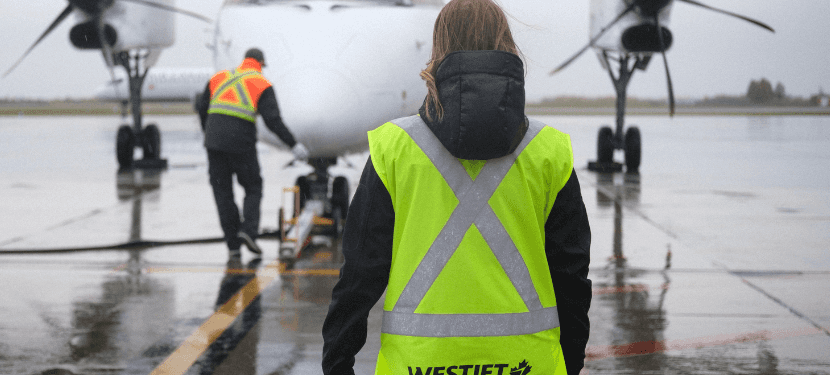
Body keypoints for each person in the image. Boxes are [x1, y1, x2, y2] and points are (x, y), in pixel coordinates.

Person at [321, 0, 592, 374]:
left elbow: (360, 275)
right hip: (528, 364)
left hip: (417, 365)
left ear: (439, 48)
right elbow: (571, 275)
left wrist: (337, 363)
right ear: (507, 44)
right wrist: (572, 360)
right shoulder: (549, 151)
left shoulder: (394, 148)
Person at [196, 48, 309, 257]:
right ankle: (248, 231)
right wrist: (293, 144)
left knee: (223, 193)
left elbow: (202, 107)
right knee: (253, 186)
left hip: (214, 143)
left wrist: (209, 134)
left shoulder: (219, 77)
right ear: (260, 64)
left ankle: (232, 245)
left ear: (244, 61)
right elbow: (272, 120)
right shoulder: (261, 83)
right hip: (241, 142)